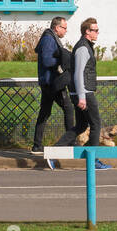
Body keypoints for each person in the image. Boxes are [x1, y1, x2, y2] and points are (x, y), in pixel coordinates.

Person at [54, 18, 111, 169]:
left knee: (80, 125)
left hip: (82, 92)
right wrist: (82, 97)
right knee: (96, 124)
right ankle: (92, 160)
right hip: (84, 92)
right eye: (95, 30)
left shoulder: (86, 47)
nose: (98, 33)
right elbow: (78, 74)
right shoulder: (82, 48)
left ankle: (54, 152)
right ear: (88, 31)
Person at [31, 16, 74, 164]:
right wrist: (64, 60)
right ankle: (70, 142)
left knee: (45, 113)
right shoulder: (49, 39)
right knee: (68, 108)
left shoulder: (49, 37)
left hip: (47, 82)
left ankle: (37, 146)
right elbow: (48, 60)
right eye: (64, 28)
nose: (66, 30)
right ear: (57, 27)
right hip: (52, 83)